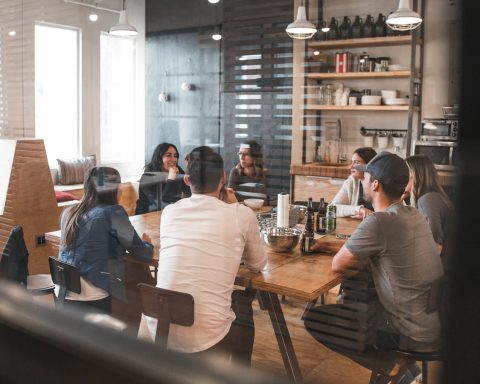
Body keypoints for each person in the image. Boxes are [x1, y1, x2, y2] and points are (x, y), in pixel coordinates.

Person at [305, 152, 444, 384]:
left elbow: (338, 264)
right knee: (359, 291)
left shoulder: (379, 221)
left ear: (375, 184)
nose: (363, 181)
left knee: (315, 318)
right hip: (430, 322)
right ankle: (405, 372)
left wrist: (330, 249)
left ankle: (391, 367)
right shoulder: (413, 214)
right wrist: (327, 244)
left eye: (366, 177)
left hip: (407, 332)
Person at [139, 146, 267, 365]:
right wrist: (234, 206)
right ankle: (239, 374)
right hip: (206, 337)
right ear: (224, 179)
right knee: (242, 305)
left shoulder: (170, 212)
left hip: (159, 327)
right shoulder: (240, 214)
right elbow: (258, 263)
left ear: (187, 180)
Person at [58, 166, 154, 315]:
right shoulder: (113, 213)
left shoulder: (69, 213)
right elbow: (143, 253)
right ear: (113, 189)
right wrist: (147, 243)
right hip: (93, 296)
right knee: (138, 276)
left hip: (65, 293)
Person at [404, 155, 454, 274]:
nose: (401, 178)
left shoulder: (428, 200)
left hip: (445, 269)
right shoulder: (433, 196)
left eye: (404, 174)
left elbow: (435, 248)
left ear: (414, 176)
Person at [135, 143, 191, 214]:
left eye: (175, 156)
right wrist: (171, 179)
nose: (173, 159)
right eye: (168, 155)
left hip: (169, 214)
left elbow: (189, 193)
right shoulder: (148, 177)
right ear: (159, 158)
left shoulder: (178, 171)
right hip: (147, 216)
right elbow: (162, 203)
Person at [331, 147, 377, 218]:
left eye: (356, 162)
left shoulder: (380, 184)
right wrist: (359, 210)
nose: (350, 167)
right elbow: (332, 209)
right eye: (351, 162)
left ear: (369, 165)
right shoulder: (351, 181)